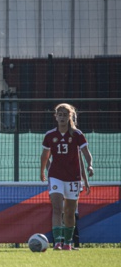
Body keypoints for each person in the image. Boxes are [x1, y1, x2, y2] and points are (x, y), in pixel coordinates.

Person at [40, 103, 93, 251]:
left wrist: (90, 166)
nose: (62, 117)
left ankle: (67, 243)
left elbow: (85, 154)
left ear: (70, 117)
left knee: (69, 211)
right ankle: (57, 242)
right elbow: (45, 156)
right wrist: (43, 171)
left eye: (65, 115)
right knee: (57, 208)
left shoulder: (77, 134)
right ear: (56, 117)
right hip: (56, 176)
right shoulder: (50, 135)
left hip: (73, 177)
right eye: (60, 115)